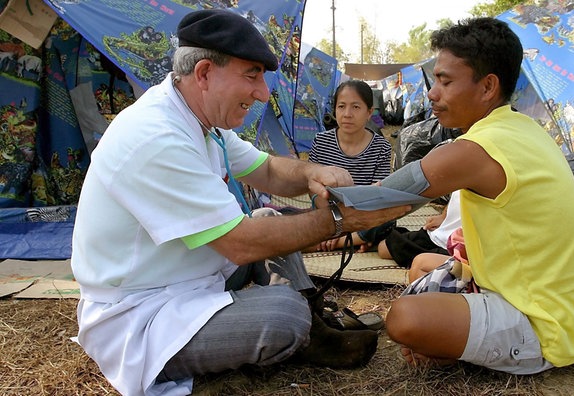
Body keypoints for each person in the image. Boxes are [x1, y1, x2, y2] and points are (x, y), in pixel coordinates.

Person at [70, 10, 409, 396]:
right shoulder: (156, 137)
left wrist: (311, 173)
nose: (263, 92)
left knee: (267, 215)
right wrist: (341, 219)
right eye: (252, 75)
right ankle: (298, 328)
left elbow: (267, 171)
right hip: (142, 313)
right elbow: (241, 243)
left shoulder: (198, 118)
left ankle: (313, 329)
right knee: (283, 315)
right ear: (203, 74)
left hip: (189, 278)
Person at [384, 17, 574, 374]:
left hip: (542, 325)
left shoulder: (476, 148)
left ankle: (468, 347)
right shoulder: (523, 128)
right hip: (540, 298)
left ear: (487, 87)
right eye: (435, 80)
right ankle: (458, 339)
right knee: (420, 265)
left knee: (403, 317)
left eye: (445, 81)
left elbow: (378, 200)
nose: (433, 93)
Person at [307, 79, 393, 252]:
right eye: (341, 106)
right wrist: (338, 219)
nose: (347, 114)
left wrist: (351, 222)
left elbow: (378, 195)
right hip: (326, 213)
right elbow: (312, 189)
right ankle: (355, 241)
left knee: (389, 217)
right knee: (287, 221)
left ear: (369, 113)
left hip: (363, 216)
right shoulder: (321, 141)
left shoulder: (381, 147)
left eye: (355, 107)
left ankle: (340, 241)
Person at [377, 190, 461, 268]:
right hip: (440, 234)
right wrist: (443, 216)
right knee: (384, 248)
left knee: (421, 264)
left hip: (459, 249)